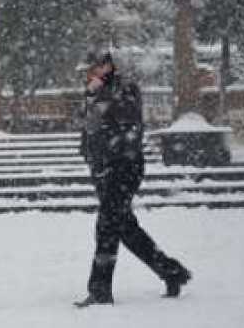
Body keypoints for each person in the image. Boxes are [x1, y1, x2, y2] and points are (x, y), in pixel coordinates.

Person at [74, 51, 192, 307]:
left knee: (106, 226)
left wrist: (99, 101)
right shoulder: (94, 91)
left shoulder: (124, 89)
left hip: (124, 168)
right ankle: (172, 272)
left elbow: (129, 130)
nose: (87, 74)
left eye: (92, 68)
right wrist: (92, 98)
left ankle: (100, 290)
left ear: (106, 67)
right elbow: (85, 125)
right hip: (103, 169)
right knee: (126, 229)